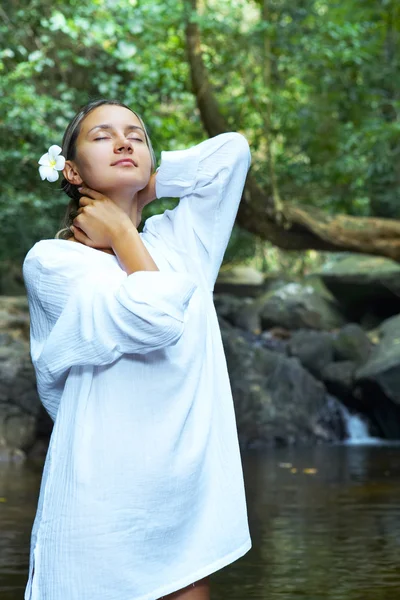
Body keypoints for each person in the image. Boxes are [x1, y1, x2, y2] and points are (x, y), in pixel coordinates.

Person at [22, 98, 252, 600]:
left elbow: (231, 153)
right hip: (101, 507)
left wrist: (146, 196)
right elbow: (153, 317)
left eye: (136, 135)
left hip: (182, 504)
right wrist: (125, 233)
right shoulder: (53, 263)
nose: (124, 141)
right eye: (102, 136)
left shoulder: (182, 247)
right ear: (72, 170)